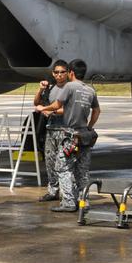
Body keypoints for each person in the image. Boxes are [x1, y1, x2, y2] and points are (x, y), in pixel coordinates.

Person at [35, 58, 101, 213]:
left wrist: (42, 108)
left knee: (62, 167)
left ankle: (69, 202)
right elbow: (97, 111)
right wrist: (89, 126)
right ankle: (84, 201)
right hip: (84, 134)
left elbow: (57, 105)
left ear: (71, 73)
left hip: (70, 135)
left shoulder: (69, 87)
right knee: (82, 170)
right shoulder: (90, 90)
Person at [33, 60, 69, 202]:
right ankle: (53, 190)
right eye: (56, 72)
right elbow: (37, 103)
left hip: (65, 130)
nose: (59, 75)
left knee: (64, 163)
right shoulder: (51, 88)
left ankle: (67, 194)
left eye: (62, 72)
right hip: (51, 130)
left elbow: (69, 109)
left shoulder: (70, 89)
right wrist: (40, 89)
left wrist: (49, 111)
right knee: (50, 161)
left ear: (67, 73)